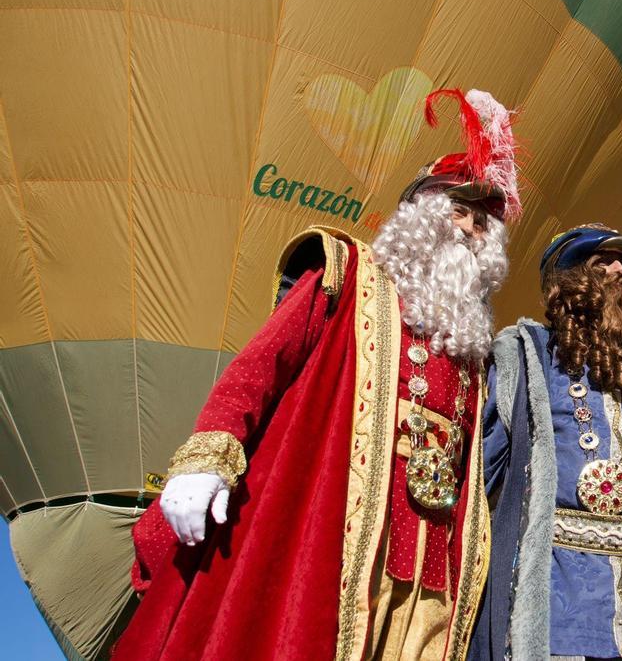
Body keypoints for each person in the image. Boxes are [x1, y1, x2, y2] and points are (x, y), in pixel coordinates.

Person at [112, 88, 520, 661]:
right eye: (458, 208)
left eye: (484, 222)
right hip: (331, 528)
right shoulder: (346, 274)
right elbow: (262, 364)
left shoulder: (475, 349)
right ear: (419, 214)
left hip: (434, 565)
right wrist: (207, 457)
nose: (471, 229)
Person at [468, 225, 622, 660]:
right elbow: (483, 464)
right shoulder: (526, 355)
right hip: (554, 582)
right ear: (566, 281)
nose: (618, 271)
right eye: (601, 262)